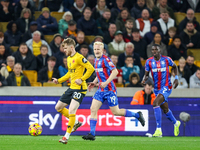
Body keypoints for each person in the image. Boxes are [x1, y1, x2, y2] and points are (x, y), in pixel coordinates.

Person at [82, 41, 145, 141]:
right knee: (93, 109)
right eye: (95, 49)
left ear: (103, 50)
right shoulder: (96, 60)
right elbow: (99, 75)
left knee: (116, 112)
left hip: (110, 90)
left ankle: (137, 115)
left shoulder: (105, 59)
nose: (96, 51)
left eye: (98, 49)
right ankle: (92, 134)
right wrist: (94, 82)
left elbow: (115, 71)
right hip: (100, 90)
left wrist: (106, 82)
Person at [52, 38, 94, 144]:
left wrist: (82, 79)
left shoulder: (79, 57)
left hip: (80, 89)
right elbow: (69, 74)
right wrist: (59, 80)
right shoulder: (69, 59)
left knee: (71, 111)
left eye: (65, 48)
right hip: (72, 87)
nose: (64, 50)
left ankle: (66, 137)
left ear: (71, 47)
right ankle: (76, 122)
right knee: (58, 107)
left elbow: (91, 68)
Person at [141, 44, 181, 137]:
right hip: (157, 88)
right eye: (153, 50)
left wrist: (176, 78)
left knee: (155, 103)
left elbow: (175, 67)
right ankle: (176, 123)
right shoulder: (149, 62)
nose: (154, 51)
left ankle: (158, 130)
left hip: (167, 86)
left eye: (156, 49)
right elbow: (146, 74)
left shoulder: (166, 59)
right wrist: (144, 80)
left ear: (160, 50)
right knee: (165, 109)